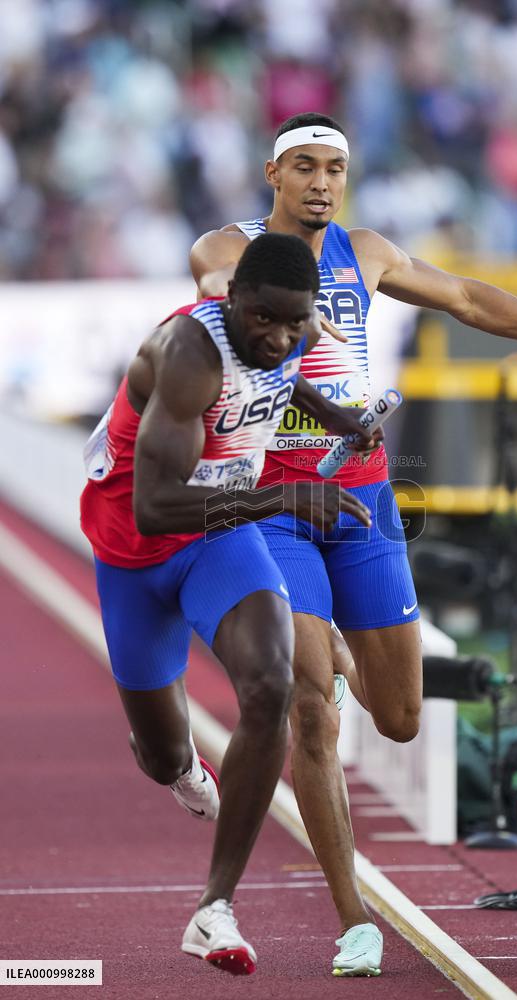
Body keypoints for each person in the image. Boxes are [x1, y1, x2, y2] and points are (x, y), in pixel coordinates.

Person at [189, 112, 517, 977]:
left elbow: (463, 295)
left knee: (402, 718)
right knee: (310, 709)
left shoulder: (368, 251)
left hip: (364, 500)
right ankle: (355, 919)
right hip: (275, 502)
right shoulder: (225, 251)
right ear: (272, 173)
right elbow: (233, 301)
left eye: (333, 168)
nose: (319, 182)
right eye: (302, 166)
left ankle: (336, 641)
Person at [79, 232, 379, 977]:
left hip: (222, 539)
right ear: (231, 299)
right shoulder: (186, 355)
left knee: (272, 687)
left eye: (292, 324)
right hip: (138, 548)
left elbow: (281, 374)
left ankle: (215, 909)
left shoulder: (290, 320)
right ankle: (177, 762)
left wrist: (339, 420)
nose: (278, 339)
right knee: (161, 754)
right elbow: (155, 507)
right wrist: (282, 494)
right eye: (262, 322)